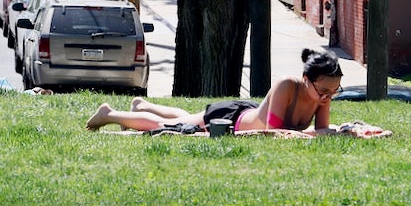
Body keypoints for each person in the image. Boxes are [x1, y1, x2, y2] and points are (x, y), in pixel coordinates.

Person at [86, 51, 346, 132]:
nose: (327, 97)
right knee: (171, 125)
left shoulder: (321, 95)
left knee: (187, 116)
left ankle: (141, 106)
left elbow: (321, 130)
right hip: (232, 118)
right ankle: (110, 114)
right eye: (323, 91)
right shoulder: (287, 85)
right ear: (306, 78)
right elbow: (273, 131)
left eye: (333, 92)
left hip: (243, 113)